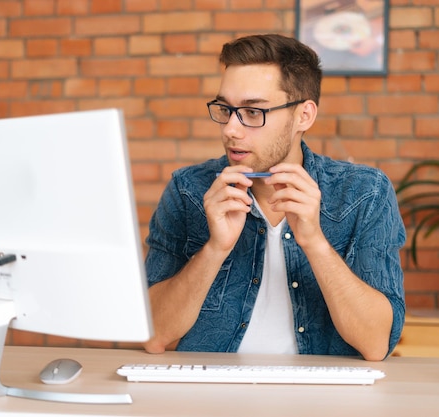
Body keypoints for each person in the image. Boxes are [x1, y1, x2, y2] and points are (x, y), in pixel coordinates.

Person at [143, 34, 406, 361]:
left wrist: (314, 242)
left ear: (304, 116)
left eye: (253, 112)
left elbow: (376, 344)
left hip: (322, 399)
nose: (231, 130)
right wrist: (214, 250)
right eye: (226, 109)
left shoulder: (365, 193)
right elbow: (153, 337)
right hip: (210, 396)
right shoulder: (188, 191)